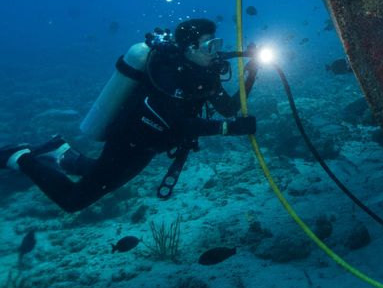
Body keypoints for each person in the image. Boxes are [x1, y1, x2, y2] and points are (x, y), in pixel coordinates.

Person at [0, 19, 257, 212]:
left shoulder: (205, 71)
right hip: (130, 140)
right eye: (209, 45)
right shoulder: (170, 74)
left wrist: (251, 75)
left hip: (149, 145)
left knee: (101, 173)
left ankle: (59, 151)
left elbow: (227, 108)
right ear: (189, 49)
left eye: (217, 44)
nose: (216, 52)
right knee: (73, 201)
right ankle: (20, 157)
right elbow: (181, 124)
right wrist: (228, 129)